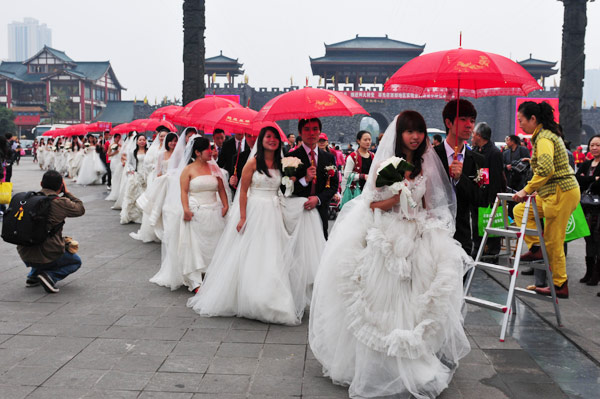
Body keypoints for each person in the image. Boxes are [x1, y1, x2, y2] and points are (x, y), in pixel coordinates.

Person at [309, 111, 470, 399]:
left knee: (414, 301)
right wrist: (396, 197)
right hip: (387, 238)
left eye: (419, 131)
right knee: (381, 301)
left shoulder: (424, 166)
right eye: (410, 131)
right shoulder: (385, 165)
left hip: (415, 236)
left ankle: (410, 361)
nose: (415, 136)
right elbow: (371, 204)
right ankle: (378, 365)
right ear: (400, 135)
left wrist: (429, 222)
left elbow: (429, 205)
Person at [187, 126, 324, 325]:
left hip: (274, 210)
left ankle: (273, 297)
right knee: (254, 252)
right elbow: (243, 192)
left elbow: (285, 187)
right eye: (268, 137)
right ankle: (252, 296)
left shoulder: (281, 162)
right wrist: (242, 217)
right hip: (255, 210)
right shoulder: (253, 162)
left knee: (274, 252)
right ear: (262, 140)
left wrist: (301, 178)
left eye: (275, 137)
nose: (272, 140)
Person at [512, 101, 580, 299]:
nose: (521, 124)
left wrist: (526, 190)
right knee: (519, 211)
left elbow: (546, 169)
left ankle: (560, 285)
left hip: (561, 192)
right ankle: (535, 248)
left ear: (533, 119)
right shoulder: (542, 136)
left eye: (522, 120)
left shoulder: (543, 138)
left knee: (554, 240)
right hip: (551, 192)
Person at [17, 170, 85, 293]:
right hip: (48, 253)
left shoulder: (29, 199)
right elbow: (80, 208)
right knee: (75, 261)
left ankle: (33, 277)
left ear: (41, 183)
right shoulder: (60, 202)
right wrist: (67, 192)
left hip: (24, 252)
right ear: (60, 186)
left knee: (41, 241)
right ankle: (50, 277)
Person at [434, 99, 488, 255]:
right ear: (448, 123)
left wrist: (460, 178)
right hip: (433, 234)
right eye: (463, 120)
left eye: (472, 121)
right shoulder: (431, 156)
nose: (469, 125)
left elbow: (482, 198)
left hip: (462, 236)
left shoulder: (480, 161)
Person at [177, 137, 229, 290]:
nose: (212, 151)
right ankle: (195, 280)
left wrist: (225, 205)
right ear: (198, 152)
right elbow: (184, 191)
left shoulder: (214, 168)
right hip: (196, 211)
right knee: (195, 245)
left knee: (214, 244)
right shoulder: (188, 170)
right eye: (208, 148)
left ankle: (212, 274)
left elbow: (221, 188)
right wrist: (186, 209)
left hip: (214, 210)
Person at [288, 118, 339, 239]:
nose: (311, 133)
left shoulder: (328, 158)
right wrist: (305, 179)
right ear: (300, 133)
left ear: (320, 131)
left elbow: (333, 185)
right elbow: (286, 187)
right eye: (307, 129)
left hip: (321, 211)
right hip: (298, 211)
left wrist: (318, 199)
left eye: (315, 129)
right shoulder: (291, 157)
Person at [131, 132, 179, 243]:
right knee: (160, 206)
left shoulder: (179, 154)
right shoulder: (161, 154)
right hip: (164, 183)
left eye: (175, 141)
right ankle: (160, 231)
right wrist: (165, 177)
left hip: (175, 183)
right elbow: (158, 171)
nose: (173, 143)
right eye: (171, 141)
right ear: (167, 142)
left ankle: (171, 231)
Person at [471, 122, 506, 259]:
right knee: (477, 222)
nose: (472, 136)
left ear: (479, 135)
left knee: (491, 223)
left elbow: (496, 177)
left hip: (489, 194)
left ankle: (492, 251)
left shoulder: (494, 152)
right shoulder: (475, 150)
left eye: (474, 134)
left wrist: (493, 199)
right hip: (477, 192)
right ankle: (478, 247)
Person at [576, 134, 600, 290]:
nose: (594, 147)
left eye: (598, 145)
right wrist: (593, 179)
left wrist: (587, 180)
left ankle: (597, 274)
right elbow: (577, 180)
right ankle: (589, 271)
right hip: (587, 207)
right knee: (588, 238)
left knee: (598, 239)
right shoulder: (586, 164)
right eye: (592, 145)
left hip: (599, 208)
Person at [120, 134, 148, 224]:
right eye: (140, 140)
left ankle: (144, 215)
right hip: (136, 175)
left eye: (144, 139)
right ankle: (131, 215)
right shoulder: (133, 152)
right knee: (133, 195)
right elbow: (129, 163)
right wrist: (131, 171)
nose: (142, 141)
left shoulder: (148, 151)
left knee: (145, 195)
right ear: (137, 142)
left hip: (146, 175)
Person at [342, 130, 374, 195]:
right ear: (358, 141)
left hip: (370, 191)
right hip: (356, 191)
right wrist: (362, 176)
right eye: (365, 140)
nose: (368, 142)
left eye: (369, 140)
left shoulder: (373, 156)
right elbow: (347, 175)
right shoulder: (353, 157)